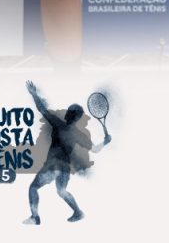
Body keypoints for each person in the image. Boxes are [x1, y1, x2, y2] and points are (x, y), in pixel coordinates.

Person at [23, 80, 109, 224]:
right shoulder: (79, 135)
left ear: (69, 115)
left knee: (33, 187)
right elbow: (95, 149)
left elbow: (42, 109)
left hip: (53, 165)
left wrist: (34, 94)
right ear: (78, 118)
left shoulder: (59, 124)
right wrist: (105, 142)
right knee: (61, 191)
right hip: (64, 169)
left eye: (68, 111)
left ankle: (35, 217)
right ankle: (78, 212)